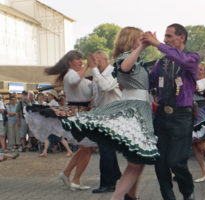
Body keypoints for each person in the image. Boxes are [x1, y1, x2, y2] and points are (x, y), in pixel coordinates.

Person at [60, 27, 159, 200]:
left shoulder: (130, 61)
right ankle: (116, 193)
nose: (95, 63)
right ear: (131, 41)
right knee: (133, 161)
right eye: (138, 38)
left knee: (136, 161)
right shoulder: (122, 60)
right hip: (127, 114)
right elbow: (111, 80)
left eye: (98, 60)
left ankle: (130, 195)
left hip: (131, 112)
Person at [26, 50, 97, 191]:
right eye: (78, 59)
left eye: (82, 59)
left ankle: (67, 174)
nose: (81, 61)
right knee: (87, 148)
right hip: (77, 114)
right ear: (70, 62)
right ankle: (75, 179)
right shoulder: (70, 75)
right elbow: (75, 81)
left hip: (82, 114)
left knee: (85, 148)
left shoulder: (79, 76)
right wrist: (88, 65)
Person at [143, 23, 198, 200]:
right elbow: (149, 82)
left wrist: (157, 43)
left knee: (176, 162)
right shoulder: (162, 62)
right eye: (165, 36)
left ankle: (188, 193)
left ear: (182, 37)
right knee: (160, 163)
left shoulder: (192, 58)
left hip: (182, 116)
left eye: (169, 36)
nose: (165, 39)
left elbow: (181, 60)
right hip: (161, 116)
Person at [89, 50, 122, 194]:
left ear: (105, 60)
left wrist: (94, 70)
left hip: (113, 116)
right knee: (106, 149)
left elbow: (106, 87)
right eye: (93, 62)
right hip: (102, 115)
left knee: (106, 150)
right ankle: (115, 176)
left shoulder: (114, 72)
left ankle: (108, 183)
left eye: (97, 61)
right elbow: (97, 97)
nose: (95, 64)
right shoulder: (98, 75)